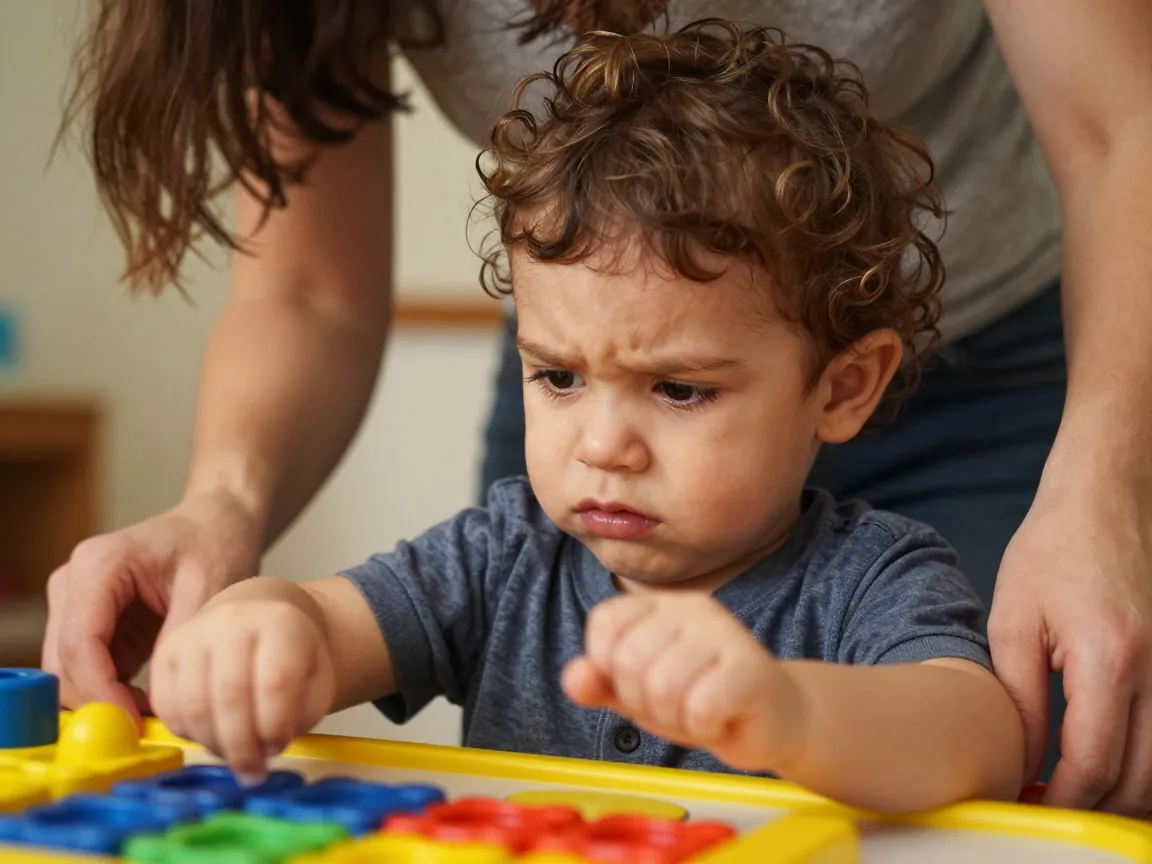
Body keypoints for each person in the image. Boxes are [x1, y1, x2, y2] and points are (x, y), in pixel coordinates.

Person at [43, 0, 1152, 816]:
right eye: (557, 377)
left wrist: (788, 714)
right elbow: (336, 625)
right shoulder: (506, 550)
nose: (603, 446)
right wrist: (259, 632)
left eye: (679, 390)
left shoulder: (875, 574)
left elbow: (976, 737)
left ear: (842, 387)